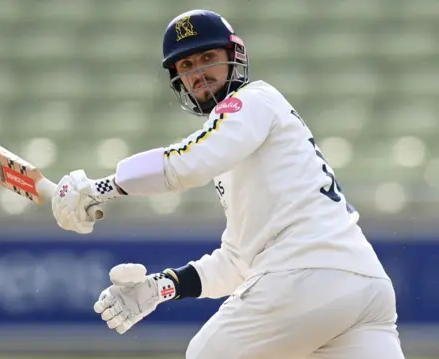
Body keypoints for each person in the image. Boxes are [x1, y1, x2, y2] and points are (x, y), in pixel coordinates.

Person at [50, 9, 405, 359]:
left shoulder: (251, 102)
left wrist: (102, 188)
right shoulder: (239, 140)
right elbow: (238, 260)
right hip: (363, 287)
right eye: (186, 66)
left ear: (235, 57)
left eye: (208, 57)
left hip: (306, 276)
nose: (199, 73)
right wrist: (160, 287)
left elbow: (186, 164)